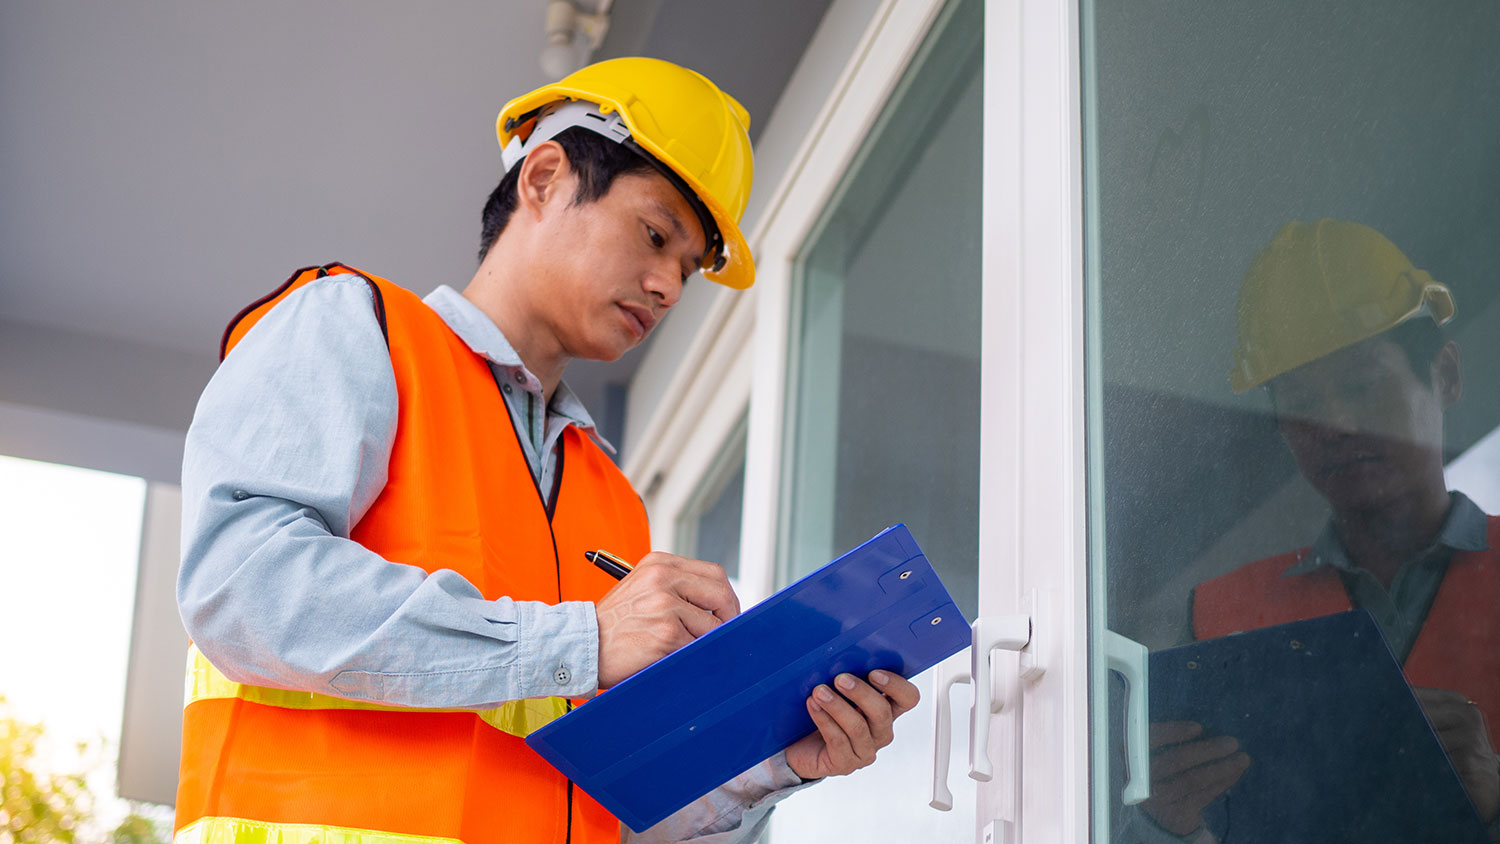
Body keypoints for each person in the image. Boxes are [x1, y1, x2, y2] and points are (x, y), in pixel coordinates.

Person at [173, 57, 920, 844]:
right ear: (545, 178)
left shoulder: (611, 500)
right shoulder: (356, 328)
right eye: (656, 234)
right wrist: (583, 641)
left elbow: (611, 808)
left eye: (688, 268)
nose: (668, 285)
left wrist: (777, 765)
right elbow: (240, 585)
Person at [1132, 220, 1500, 843]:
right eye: (1302, 403)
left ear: (1445, 376)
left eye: (1361, 384)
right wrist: (1162, 827)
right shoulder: (1219, 614)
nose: (1334, 422)